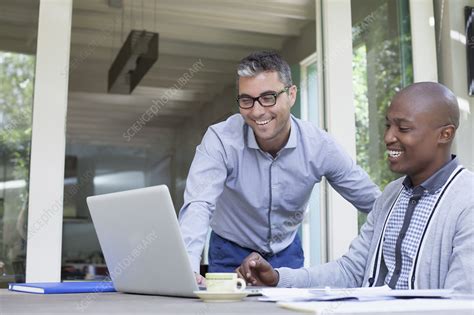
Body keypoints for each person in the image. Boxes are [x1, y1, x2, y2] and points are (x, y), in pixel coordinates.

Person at [237, 82, 474, 293]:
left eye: (403, 128)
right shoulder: (391, 195)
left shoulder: (467, 199)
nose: (389, 137)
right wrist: (279, 278)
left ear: (445, 134)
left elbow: (462, 300)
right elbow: (351, 271)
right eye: (388, 125)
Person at [178, 50, 380, 283]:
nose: (257, 111)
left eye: (268, 97)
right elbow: (198, 204)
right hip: (229, 251)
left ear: (291, 95)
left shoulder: (319, 146)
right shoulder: (221, 140)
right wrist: (188, 267)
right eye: (247, 100)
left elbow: (374, 202)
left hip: (287, 253)